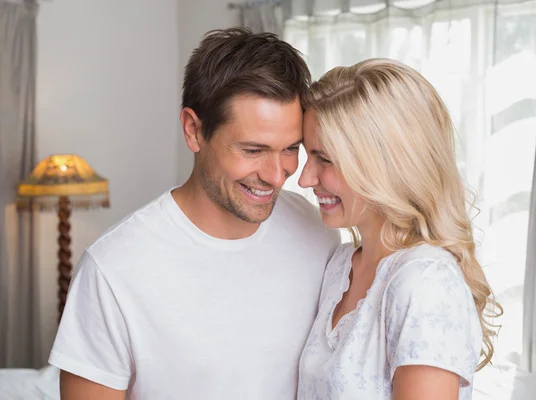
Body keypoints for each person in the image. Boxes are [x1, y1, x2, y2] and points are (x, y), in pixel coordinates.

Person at [49, 28, 340, 400]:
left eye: (290, 148)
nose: (277, 175)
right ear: (194, 130)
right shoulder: (114, 270)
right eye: (253, 150)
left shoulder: (319, 233)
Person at [297, 59, 502, 399]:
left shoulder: (425, 280)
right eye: (307, 155)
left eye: (325, 159)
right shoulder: (341, 264)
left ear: (386, 164)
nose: (305, 178)